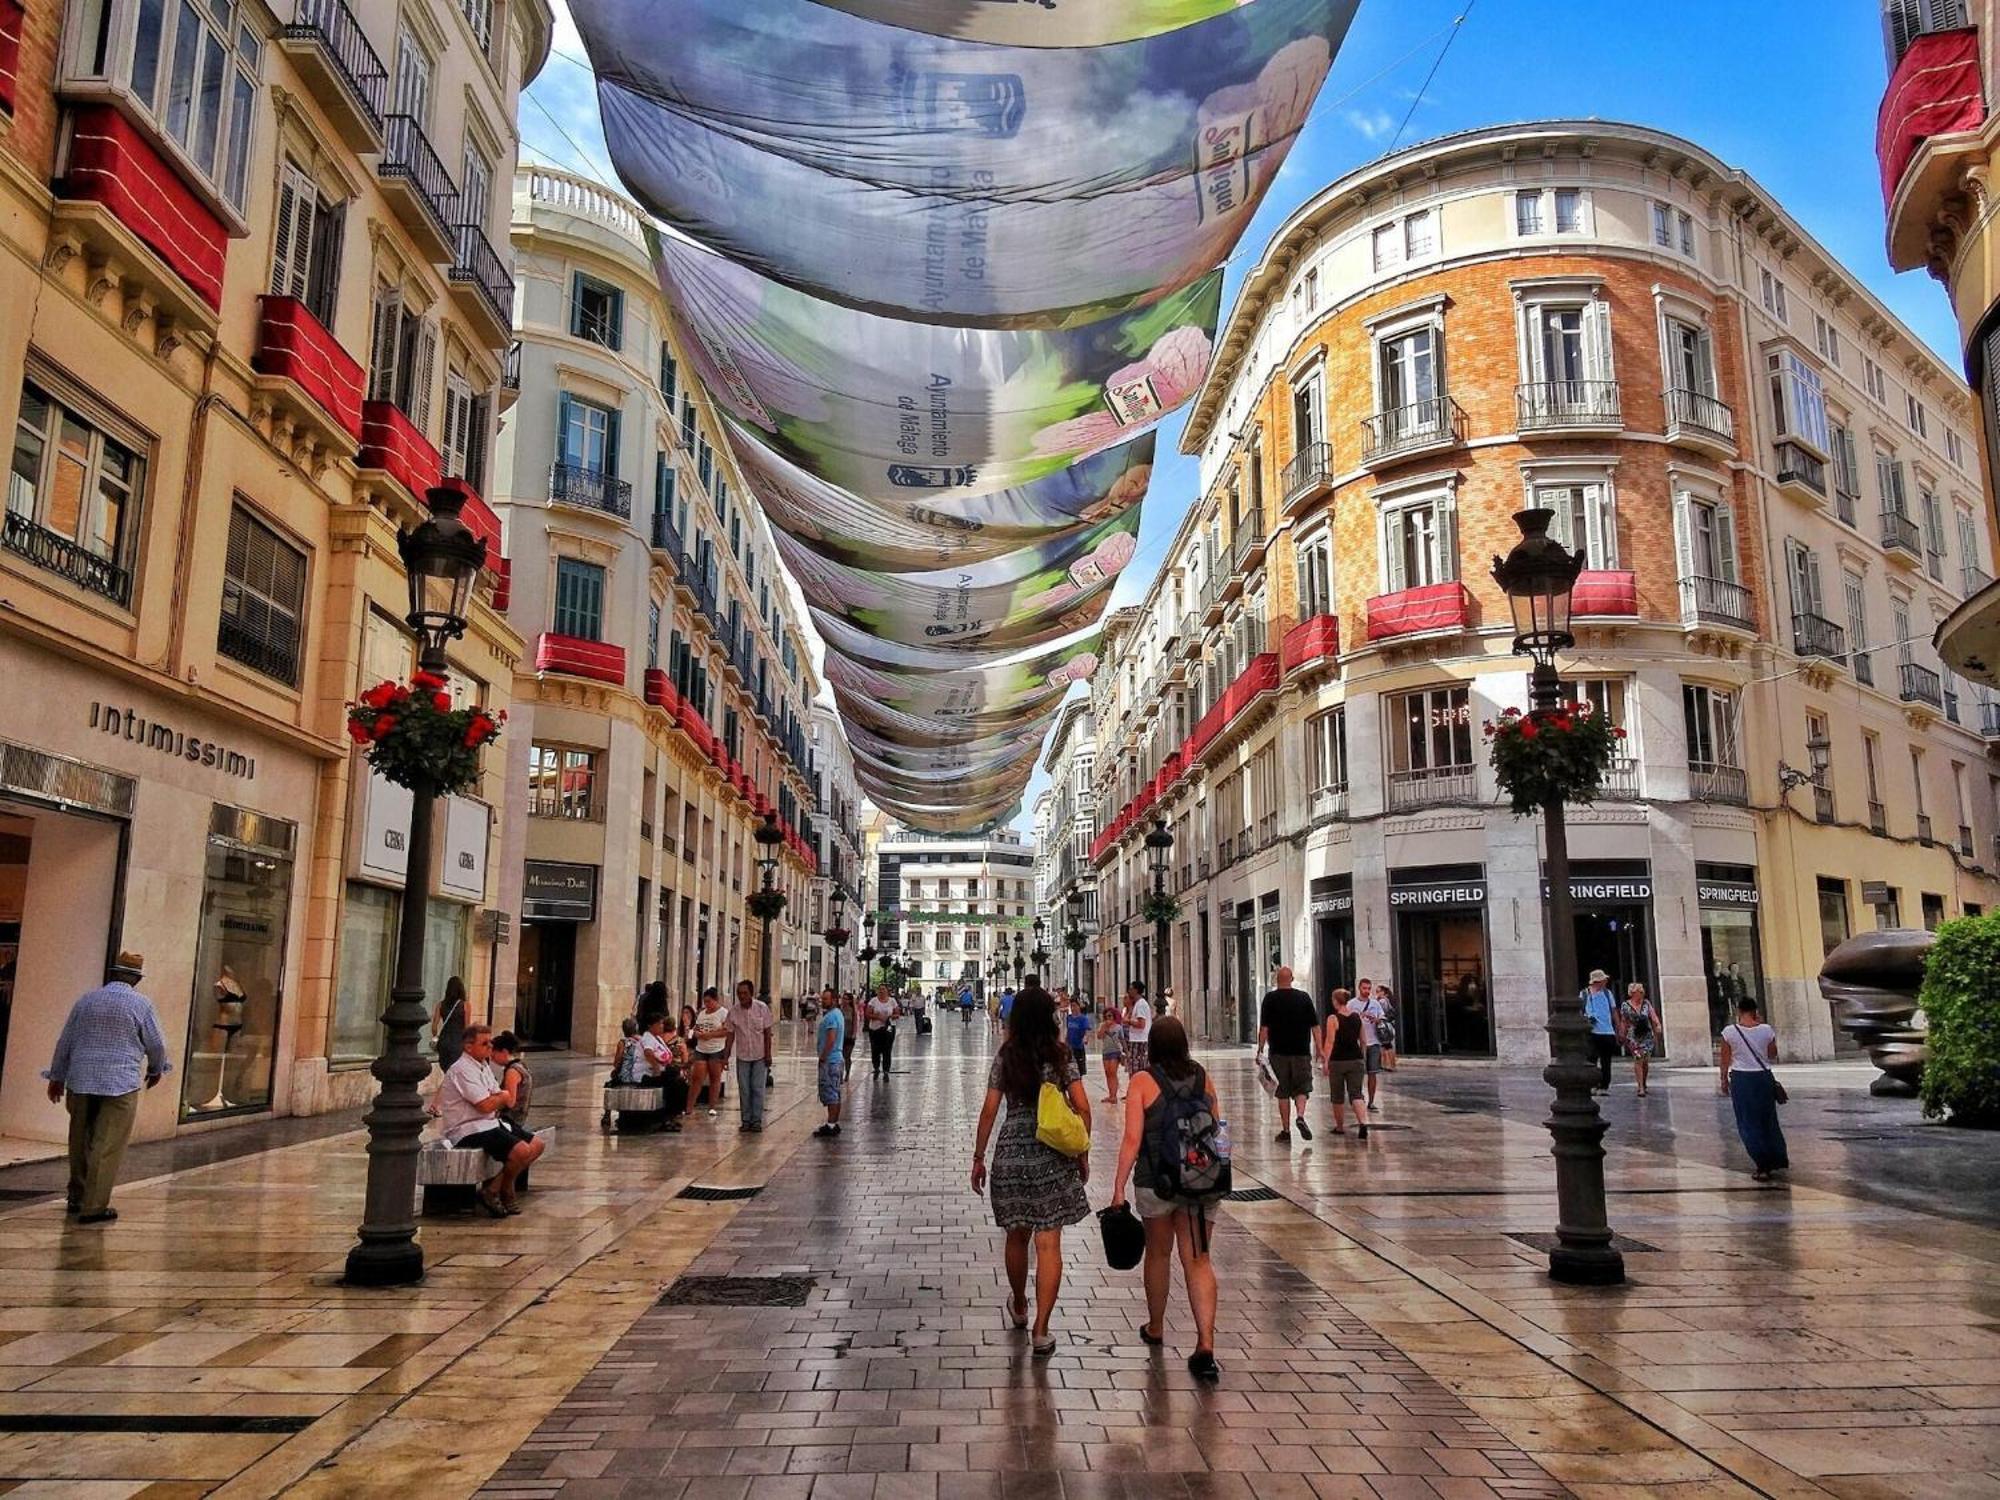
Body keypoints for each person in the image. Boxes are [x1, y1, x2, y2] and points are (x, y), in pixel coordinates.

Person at [970, 986, 1091, 1360]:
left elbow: (990, 1110)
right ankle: (1042, 1329)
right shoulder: (1060, 1056)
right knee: (1049, 1244)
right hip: (1052, 1155)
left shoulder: (1007, 1056)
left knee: (1016, 1236)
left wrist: (978, 1157)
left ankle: (1020, 1305)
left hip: (1011, 1154)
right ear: (1050, 1018)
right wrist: (1081, 1152)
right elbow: (1084, 1108)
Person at [1109, 1016, 1221, 1382]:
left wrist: (1118, 1187)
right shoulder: (1204, 1078)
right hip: (1200, 1184)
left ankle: (1156, 1325)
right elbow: (1217, 1133)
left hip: (1156, 1183)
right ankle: (1205, 1344)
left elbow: (1131, 1140)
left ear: (1153, 1045)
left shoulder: (1143, 1082)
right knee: (1199, 1260)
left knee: (1158, 1253)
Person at [44, 951, 169, 1224]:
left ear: (112, 974)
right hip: (119, 1082)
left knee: (79, 1140)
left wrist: (56, 1077)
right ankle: (94, 1206)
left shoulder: (85, 1001)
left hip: (80, 1079)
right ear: (136, 978)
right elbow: (157, 1044)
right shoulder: (141, 1005)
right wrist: (156, 1069)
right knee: (107, 1144)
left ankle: (76, 1196)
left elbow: (65, 1041)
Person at [439, 1025, 543, 1216]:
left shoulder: (483, 1066)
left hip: (490, 1123)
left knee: (536, 1144)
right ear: (469, 1047)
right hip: (469, 1128)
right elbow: (486, 1104)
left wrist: (498, 1097)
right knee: (521, 1151)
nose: (489, 1047)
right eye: (484, 1043)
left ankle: (495, 1188)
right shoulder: (462, 1069)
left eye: (490, 1043)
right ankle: (505, 1190)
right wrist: (499, 1097)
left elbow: (498, 1097)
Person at [1719, 999, 1789, 1181]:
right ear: (1755, 1011)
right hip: (1763, 1078)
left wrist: (1723, 1080)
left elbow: (1725, 1060)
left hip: (1742, 1079)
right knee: (1767, 1119)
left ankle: (1762, 1163)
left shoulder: (1729, 1032)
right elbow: (1772, 1054)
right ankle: (1776, 1158)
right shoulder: (1766, 1030)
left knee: (1747, 1121)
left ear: (1738, 1010)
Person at [1256, 965, 1317, 1145]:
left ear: (1276, 980)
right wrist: (1320, 1049)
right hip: (1301, 1051)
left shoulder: (1270, 999)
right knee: (1302, 1088)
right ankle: (1300, 1116)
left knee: (1282, 1092)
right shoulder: (1304, 998)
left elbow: (1264, 1028)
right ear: (1291, 979)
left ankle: (1286, 1130)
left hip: (1278, 1052)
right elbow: (1315, 1026)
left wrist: (1259, 1049)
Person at [1321, 990, 1369, 1139]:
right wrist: (1362, 1057)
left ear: (1336, 1001)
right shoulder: (1357, 1017)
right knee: (1356, 1094)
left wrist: (1325, 1061)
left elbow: (1330, 1041)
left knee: (1337, 1095)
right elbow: (1363, 1041)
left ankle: (1340, 1127)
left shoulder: (1333, 1019)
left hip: (1338, 1061)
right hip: (1356, 1059)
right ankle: (1363, 1122)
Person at [728, 979, 775, 1132]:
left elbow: (767, 1033)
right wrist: (725, 1055)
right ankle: (746, 1120)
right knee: (744, 1089)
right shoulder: (733, 1012)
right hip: (743, 1056)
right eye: (739, 993)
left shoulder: (762, 1009)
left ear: (751, 993)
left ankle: (756, 1120)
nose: (742, 996)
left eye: (745, 993)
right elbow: (730, 1034)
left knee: (757, 1088)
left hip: (759, 1055)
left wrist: (768, 1054)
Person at [688, 987, 729, 1115]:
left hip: (716, 1049)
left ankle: (712, 1106)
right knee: (697, 1077)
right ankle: (689, 1107)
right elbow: (696, 1028)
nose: (707, 1005)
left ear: (716, 1000)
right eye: (705, 1002)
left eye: (709, 1001)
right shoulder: (701, 1013)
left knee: (714, 1078)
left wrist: (711, 1035)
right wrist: (696, 1034)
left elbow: (727, 1030)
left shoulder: (723, 1013)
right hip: (701, 1048)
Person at [1618, 982, 1661, 1097]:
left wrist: (1657, 1024)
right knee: (1638, 1059)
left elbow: (1653, 1015)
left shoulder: (1646, 1003)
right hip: (1634, 1035)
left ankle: (1644, 1082)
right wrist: (1622, 1032)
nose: (1641, 993)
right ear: (1632, 993)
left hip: (1646, 1034)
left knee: (1645, 1061)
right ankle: (1640, 1087)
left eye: (1642, 991)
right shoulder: (1625, 1005)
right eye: (1639, 992)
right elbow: (1624, 1020)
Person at [814, 988, 846, 1138]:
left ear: (833, 1000)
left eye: (825, 999)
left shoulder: (832, 1017)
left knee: (831, 1093)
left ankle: (831, 1125)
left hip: (831, 1060)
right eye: (822, 999)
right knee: (835, 1092)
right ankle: (833, 1123)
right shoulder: (837, 1014)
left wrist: (823, 1056)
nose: (822, 1001)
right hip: (837, 1059)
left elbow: (831, 1038)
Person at [1581, 969, 1618, 1093]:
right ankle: (1592, 1083)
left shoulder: (1608, 994)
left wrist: (1618, 1027)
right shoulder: (1584, 994)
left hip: (1607, 1031)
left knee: (1606, 1061)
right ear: (1597, 981)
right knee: (1591, 1059)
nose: (1606, 982)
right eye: (1603, 980)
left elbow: (1613, 1011)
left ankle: (1604, 1085)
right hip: (1591, 1032)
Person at [491, 1032, 534, 1129]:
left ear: (504, 1052)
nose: (493, 1060)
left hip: (511, 1120)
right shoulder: (521, 1065)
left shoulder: (512, 1071)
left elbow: (510, 1101)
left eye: (494, 1056)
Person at [432, 975, 471, 1073]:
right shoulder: (465, 1005)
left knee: (446, 1069)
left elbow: (434, 1027)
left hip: (444, 1041)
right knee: (456, 1071)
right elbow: (467, 1027)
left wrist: (436, 1036)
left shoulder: (440, 1005)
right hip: (458, 1042)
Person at [865, 984, 899, 1077]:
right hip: (875, 1029)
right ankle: (876, 1067)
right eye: (880, 989)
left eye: (883, 989)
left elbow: (897, 1014)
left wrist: (889, 1017)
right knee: (875, 1049)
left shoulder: (892, 1001)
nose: (881, 991)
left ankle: (886, 1071)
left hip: (889, 1028)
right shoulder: (873, 1001)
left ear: (887, 991)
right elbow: (867, 1014)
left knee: (887, 1049)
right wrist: (878, 1017)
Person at [1097, 994, 1125, 1104]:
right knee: (1107, 1073)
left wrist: (1125, 1052)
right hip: (1105, 1052)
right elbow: (1099, 1037)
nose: (1108, 1018)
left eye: (1110, 1016)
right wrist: (1104, 1027)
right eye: (1106, 1016)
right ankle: (1110, 1094)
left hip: (1115, 1051)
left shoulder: (1118, 1027)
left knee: (1113, 1073)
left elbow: (1122, 1040)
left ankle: (1114, 1095)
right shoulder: (1102, 1026)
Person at [1123, 981, 1154, 1077]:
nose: (1129, 991)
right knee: (1133, 1068)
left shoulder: (1141, 1004)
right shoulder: (1137, 1004)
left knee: (1136, 1070)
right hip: (1137, 1039)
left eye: (1131, 989)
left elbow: (1141, 1024)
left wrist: (1128, 1022)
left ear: (1136, 990)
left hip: (1139, 1041)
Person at [1063, 996, 1092, 1075]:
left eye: (1075, 1006)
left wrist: (1086, 1038)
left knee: (1079, 1071)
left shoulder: (1083, 1019)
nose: (1073, 1008)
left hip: (1078, 1048)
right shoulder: (1069, 1018)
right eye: (1071, 1006)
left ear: (1079, 1006)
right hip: (1070, 1048)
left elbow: (1087, 1030)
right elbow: (1067, 1031)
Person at [840, 990, 861, 1079]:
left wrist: (854, 1034)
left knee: (847, 1056)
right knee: (840, 1056)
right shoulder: (839, 1010)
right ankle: (840, 1074)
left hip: (849, 1036)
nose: (844, 1000)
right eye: (843, 998)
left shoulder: (853, 1011)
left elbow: (855, 1023)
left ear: (849, 1000)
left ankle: (847, 1073)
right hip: (840, 1036)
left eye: (846, 999)